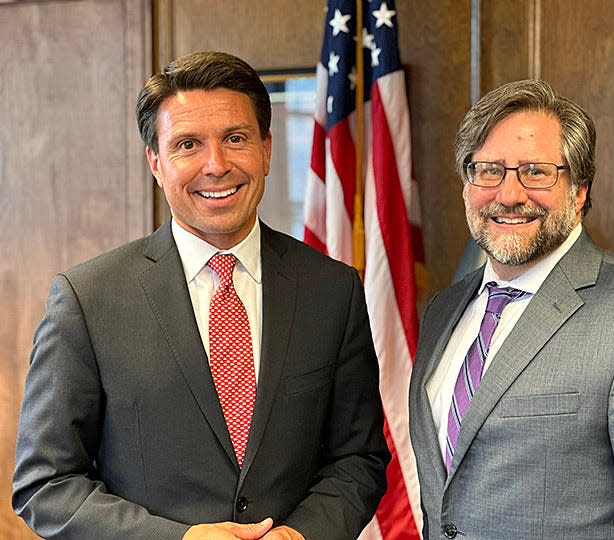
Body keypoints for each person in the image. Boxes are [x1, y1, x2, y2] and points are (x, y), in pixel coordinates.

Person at [13, 51, 389, 540]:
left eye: (236, 139)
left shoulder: (332, 289)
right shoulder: (88, 299)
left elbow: (358, 457)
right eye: (188, 144)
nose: (216, 166)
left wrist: (302, 535)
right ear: (156, 161)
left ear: (267, 148)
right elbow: (45, 484)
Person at [409, 79, 614, 539]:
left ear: (578, 190)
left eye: (536, 171)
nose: (509, 195)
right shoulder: (442, 311)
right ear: (467, 184)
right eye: (489, 170)